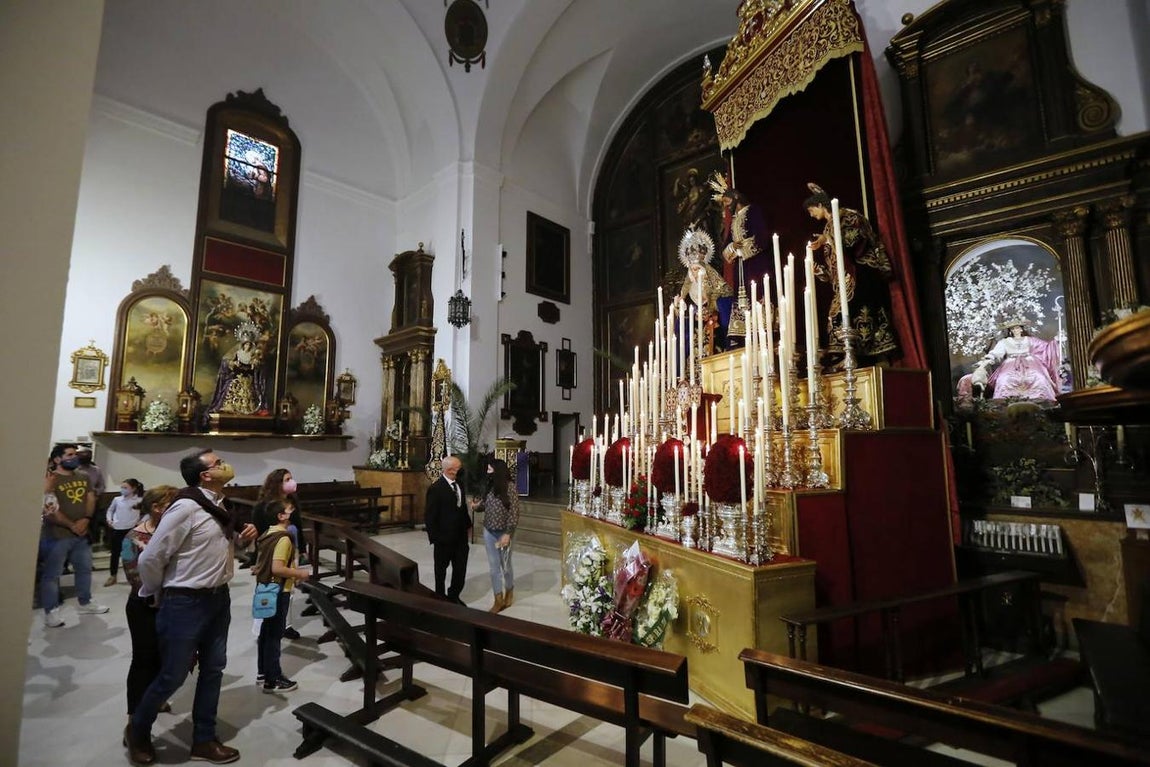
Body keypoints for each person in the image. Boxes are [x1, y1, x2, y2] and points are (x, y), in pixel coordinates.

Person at [125, 449, 257, 766]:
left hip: (217, 598)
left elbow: (212, 548)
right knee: (172, 675)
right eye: (218, 462)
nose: (226, 464)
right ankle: (138, 731)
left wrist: (244, 541)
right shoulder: (185, 507)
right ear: (205, 476)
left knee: (213, 670)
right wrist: (156, 590)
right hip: (185, 600)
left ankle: (204, 739)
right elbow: (150, 557)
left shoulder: (217, 505)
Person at [805, 182, 900, 365]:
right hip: (843, 281)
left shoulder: (849, 217)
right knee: (835, 314)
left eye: (811, 210)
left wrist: (829, 238)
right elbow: (834, 266)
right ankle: (846, 355)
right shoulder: (828, 228)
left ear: (819, 205)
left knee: (859, 313)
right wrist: (817, 269)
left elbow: (854, 243)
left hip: (861, 275)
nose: (812, 215)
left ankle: (864, 354)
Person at [121, 485, 178, 722]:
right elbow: (135, 576)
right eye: (173, 506)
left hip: (173, 605)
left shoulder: (176, 534)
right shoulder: (133, 538)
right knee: (144, 659)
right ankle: (134, 715)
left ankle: (155, 698)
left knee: (165, 658)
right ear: (156, 508)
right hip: (144, 605)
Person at [40, 444, 109, 628]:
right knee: (52, 575)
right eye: (70, 455)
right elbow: (50, 508)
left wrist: (86, 519)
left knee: (84, 569)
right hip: (57, 534)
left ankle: (85, 602)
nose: (75, 457)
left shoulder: (83, 476)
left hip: (82, 532)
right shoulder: (50, 479)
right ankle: (51, 611)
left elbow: (90, 498)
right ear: (57, 459)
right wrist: (72, 525)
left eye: (75, 454)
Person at [254, 500, 310, 694]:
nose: (293, 511)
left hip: (266, 589)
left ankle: (263, 673)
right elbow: (277, 568)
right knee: (274, 635)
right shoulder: (284, 538)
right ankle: (273, 678)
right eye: (289, 510)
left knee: (266, 632)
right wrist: (299, 574)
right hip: (279, 591)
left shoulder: (267, 533)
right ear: (281, 516)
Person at [251, 468, 304, 644]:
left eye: (292, 478)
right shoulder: (264, 506)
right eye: (287, 479)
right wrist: (256, 560)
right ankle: (261, 627)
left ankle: (285, 625)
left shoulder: (291, 501)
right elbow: (259, 534)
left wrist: (301, 549)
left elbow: (298, 526)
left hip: (290, 550)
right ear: (277, 483)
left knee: (289, 590)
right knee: (269, 589)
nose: (291, 482)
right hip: (272, 553)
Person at [960, 318, 1062, 402]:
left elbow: (1045, 348)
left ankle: (1042, 401)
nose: (1015, 330)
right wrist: (985, 362)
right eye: (1013, 329)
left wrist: (1056, 341)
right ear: (1010, 331)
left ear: (1021, 329)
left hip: (1030, 363)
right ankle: (1004, 402)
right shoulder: (1004, 342)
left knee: (1040, 378)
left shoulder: (1030, 340)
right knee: (1004, 380)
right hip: (1010, 363)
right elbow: (996, 353)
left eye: (1017, 328)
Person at [425, 455, 472, 605]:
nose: (461, 470)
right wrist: (435, 538)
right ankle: (440, 598)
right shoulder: (436, 488)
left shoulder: (460, 485)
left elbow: (462, 508)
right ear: (450, 470)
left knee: (460, 569)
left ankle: (454, 595)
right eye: (459, 468)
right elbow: (430, 516)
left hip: (460, 538)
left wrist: (468, 526)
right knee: (441, 571)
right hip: (443, 539)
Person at [480, 459, 520, 613]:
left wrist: (508, 534)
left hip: (504, 533)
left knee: (506, 566)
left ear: (498, 471)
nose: (488, 471)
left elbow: (514, 513)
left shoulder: (510, 488)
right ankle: (498, 599)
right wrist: (478, 507)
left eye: (490, 468)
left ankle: (509, 591)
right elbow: (486, 504)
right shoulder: (489, 486)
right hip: (489, 531)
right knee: (493, 567)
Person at [104, 478, 144, 586]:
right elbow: (110, 510)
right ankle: (113, 575)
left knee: (134, 553)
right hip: (118, 528)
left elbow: (146, 513)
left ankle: (137, 575)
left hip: (131, 529)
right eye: (122, 487)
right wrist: (109, 519)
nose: (123, 490)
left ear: (134, 488)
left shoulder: (139, 500)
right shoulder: (117, 499)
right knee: (115, 553)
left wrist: (141, 522)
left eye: (125, 488)